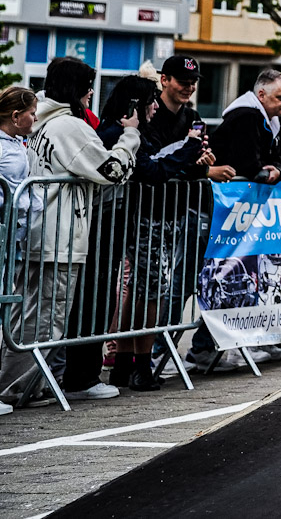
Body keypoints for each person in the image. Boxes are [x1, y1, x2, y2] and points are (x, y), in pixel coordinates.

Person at [60, 73, 213, 394]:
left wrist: (193, 159)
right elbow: (152, 171)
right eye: (150, 102)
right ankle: (104, 372)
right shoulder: (118, 132)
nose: (155, 107)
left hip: (121, 222)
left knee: (119, 294)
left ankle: (118, 366)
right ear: (135, 105)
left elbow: (162, 163)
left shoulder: (137, 130)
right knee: (125, 294)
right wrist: (189, 147)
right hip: (111, 222)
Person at [0, 57, 138, 408]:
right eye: (88, 86)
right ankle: (12, 389)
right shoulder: (69, 126)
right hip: (58, 238)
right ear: (77, 89)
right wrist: (130, 137)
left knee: (26, 317)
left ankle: (24, 386)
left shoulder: (39, 123)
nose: (91, 93)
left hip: (36, 232)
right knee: (46, 320)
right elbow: (111, 170)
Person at [0, 87, 37, 418]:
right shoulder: (3, 147)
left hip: (13, 238)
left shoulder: (17, 144)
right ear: (15, 116)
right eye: (31, 114)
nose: (35, 119)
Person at [213, 69, 281, 182]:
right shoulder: (247, 117)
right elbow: (249, 164)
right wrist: (275, 170)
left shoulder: (269, 120)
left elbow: (275, 159)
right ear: (261, 95)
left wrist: (278, 170)